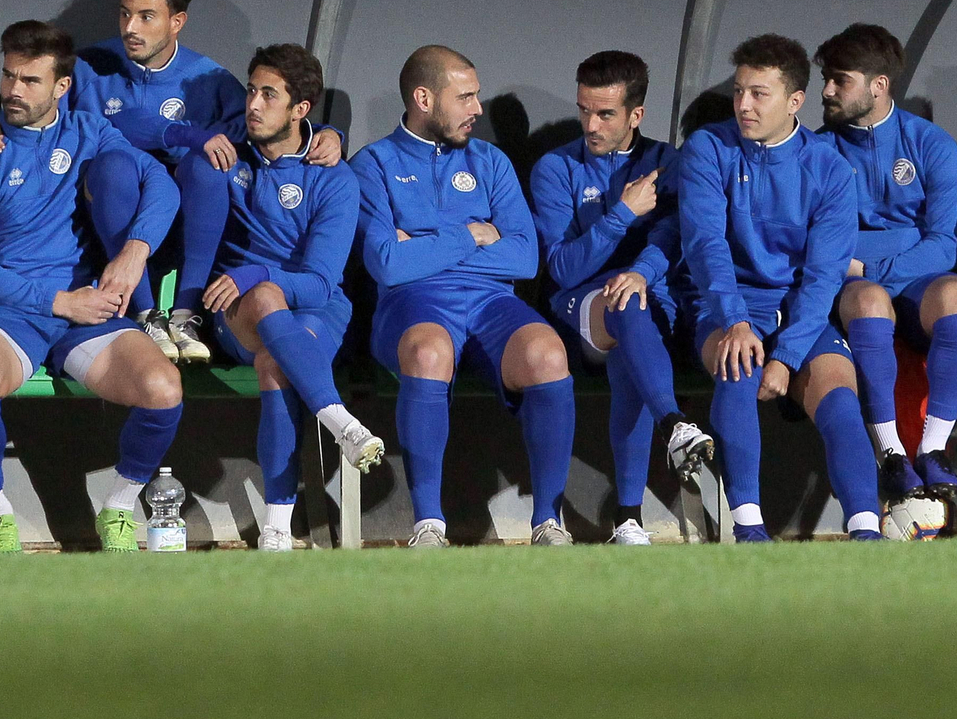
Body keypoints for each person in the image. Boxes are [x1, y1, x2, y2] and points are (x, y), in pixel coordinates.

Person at [0, 0, 341, 364]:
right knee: (115, 167)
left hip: (187, 222)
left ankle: (186, 313)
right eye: (125, 13)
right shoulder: (91, 67)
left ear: (177, 22)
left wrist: (330, 133)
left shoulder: (208, 79)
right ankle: (145, 314)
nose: (131, 28)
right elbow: (26, 99)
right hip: (106, 214)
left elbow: (270, 124)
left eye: (146, 17)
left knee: (207, 164)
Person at [0, 21, 185, 554]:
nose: (13, 91)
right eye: (8, 76)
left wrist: (134, 251)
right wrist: (60, 302)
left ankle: (120, 507)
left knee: (164, 389)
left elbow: (163, 185)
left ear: (61, 86)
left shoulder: (89, 131)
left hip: (90, 307)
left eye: (30, 80)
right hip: (14, 309)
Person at [351, 45, 575, 547]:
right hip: (412, 304)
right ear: (424, 98)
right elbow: (387, 263)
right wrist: (471, 233)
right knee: (429, 351)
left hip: (491, 300)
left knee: (547, 352)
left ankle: (548, 522)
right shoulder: (374, 164)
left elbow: (524, 258)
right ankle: (428, 524)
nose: (477, 108)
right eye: (466, 97)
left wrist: (423, 245)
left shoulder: (490, 160)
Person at [679, 35, 883, 542]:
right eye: (740, 91)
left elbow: (823, 277)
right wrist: (736, 321)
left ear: (794, 102)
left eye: (759, 93)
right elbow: (706, 246)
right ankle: (748, 528)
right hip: (726, 306)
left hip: (798, 314)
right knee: (737, 366)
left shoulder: (830, 169)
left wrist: (787, 354)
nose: (744, 104)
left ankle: (867, 529)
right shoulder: (708, 148)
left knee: (838, 397)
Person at [199, 44, 383, 551]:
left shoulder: (335, 178)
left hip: (317, 307)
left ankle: (276, 527)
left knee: (274, 363)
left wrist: (259, 271)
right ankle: (339, 421)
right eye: (252, 90)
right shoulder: (231, 152)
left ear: (300, 110)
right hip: (237, 308)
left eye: (269, 95)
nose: (253, 104)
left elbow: (322, 282)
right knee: (261, 301)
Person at [529, 51, 713, 545]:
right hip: (581, 307)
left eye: (605, 113)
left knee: (630, 339)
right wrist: (621, 216)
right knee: (623, 305)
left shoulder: (666, 163)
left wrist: (640, 271)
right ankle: (673, 422)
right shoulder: (556, 167)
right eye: (584, 109)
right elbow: (563, 267)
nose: (591, 123)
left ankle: (628, 521)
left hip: (650, 305)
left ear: (636, 115)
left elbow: (676, 238)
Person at [813, 24, 957, 502]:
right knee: (866, 300)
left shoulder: (932, 144)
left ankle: (932, 449)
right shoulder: (819, 152)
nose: (826, 90)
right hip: (857, 293)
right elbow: (823, 246)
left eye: (839, 80)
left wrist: (868, 262)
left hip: (908, 282)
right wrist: (899, 245)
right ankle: (890, 453)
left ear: (878, 86)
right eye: (826, 78)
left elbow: (945, 245)